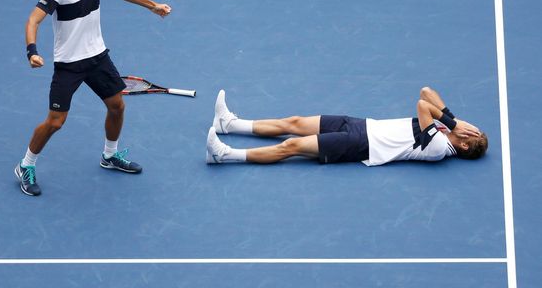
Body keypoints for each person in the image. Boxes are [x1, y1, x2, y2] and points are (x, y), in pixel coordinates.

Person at [15, 0, 172, 196]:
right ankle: (25, 165)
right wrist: (32, 52)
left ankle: (109, 155)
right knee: (55, 122)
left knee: (117, 106)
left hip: (98, 57)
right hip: (69, 64)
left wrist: (152, 5)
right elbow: (33, 20)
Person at [206, 87, 487, 166]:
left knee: (290, 146)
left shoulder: (438, 145)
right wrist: (454, 119)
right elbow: (428, 91)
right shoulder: (444, 128)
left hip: (360, 146)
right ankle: (229, 124)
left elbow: (422, 104)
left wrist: (452, 123)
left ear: (463, 144)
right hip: (361, 124)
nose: (467, 128)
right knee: (293, 123)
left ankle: (224, 155)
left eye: (470, 134)